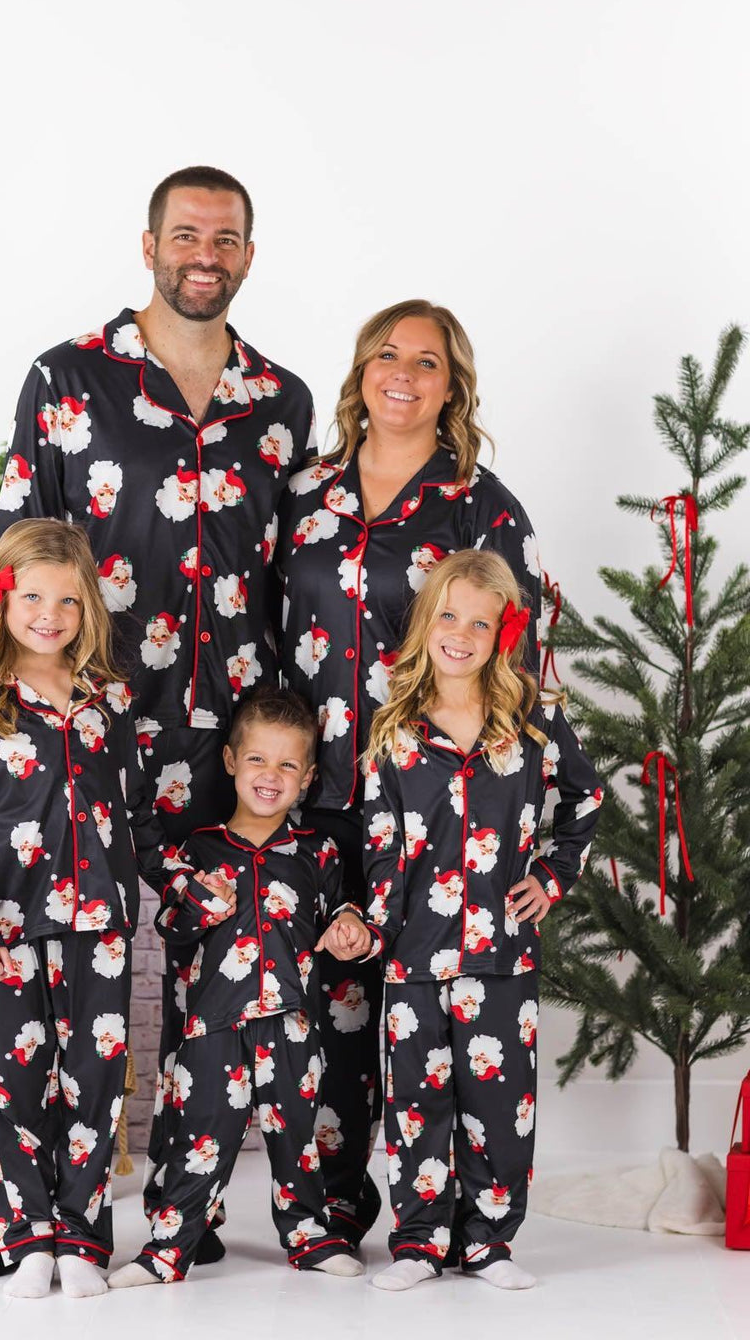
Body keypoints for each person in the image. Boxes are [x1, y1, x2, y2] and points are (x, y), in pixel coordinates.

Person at [0, 166, 315, 1281]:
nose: (206, 254)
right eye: (186, 234)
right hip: (86, 723)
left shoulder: (282, 401)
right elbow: (20, 547)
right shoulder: (69, 378)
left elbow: (293, 576)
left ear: (249, 254)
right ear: (150, 244)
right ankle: (15, 1215)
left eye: (227, 237)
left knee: (214, 976)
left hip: (226, 736)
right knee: (38, 987)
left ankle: (180, 1214)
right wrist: (0, 690)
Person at [275, 298, 543, 1247]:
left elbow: (519, 669)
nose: (404, 373)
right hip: (313, 793)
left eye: (427, 361)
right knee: (328, 1009)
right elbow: (260, 629)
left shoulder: (482, 506)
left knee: (432, 1022)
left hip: (434, 806)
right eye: (388, 354)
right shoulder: (305, 492)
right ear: (362, 370)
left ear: (453, 385)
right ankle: (332, 1209)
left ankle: (457, 1223)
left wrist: (528, 837)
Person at [0, 520, 235, 1300]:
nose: (50, 615)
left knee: (94, 1082)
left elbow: (135, 816)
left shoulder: (108, 702)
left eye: (68, 602)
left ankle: (81, 1237)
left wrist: (181, 882)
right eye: (33, 598)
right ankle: (28, 1236)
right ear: (2, 600)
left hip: (101, 926)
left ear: (88, 610)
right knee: (17, 1081)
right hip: (10, 926)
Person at [361, 550, 603, 1290]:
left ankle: (489, 1243)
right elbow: (379, 842)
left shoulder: (534, 719)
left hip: (502, 951)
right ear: (426, 621)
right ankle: (419, 1243)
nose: (461, 634)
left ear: (504, 634)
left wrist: (553, 877)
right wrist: (376, 930)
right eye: (449, 616)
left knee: (499, 1101)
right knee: (417, 1102)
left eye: (480, 623)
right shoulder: (395, 729)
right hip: (413, 954)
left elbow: (587, 798)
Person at [109, 687, 371, 1287]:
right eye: (257, 759)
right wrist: (200, 906)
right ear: (230, 760)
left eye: (287, 764)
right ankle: (168, 1250)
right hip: (213, 1026)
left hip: (292, 1023)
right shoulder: (197, 851)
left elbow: (343, 910)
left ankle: (309, 1236)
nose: (270, 775)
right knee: (199, 1137)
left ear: (307, 777)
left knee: (297, 1138)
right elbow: (170, 928)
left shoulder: (317, 852)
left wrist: (349, 925)